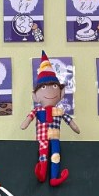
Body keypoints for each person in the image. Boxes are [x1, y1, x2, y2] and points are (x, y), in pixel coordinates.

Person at [20, 50, 80, 187]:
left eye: (54, 86)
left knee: (56, 155)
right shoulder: (37, 110)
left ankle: (54, 178)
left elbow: (70, 121)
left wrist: (75, 128)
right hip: (42, 138)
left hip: (55, 138)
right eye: (43, 87)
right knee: (43, 154)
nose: (49, 91)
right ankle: (42, 174)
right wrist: (25, 123)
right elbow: (28, 120)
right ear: (35, 96)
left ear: (61, 93)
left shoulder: (59, 111)